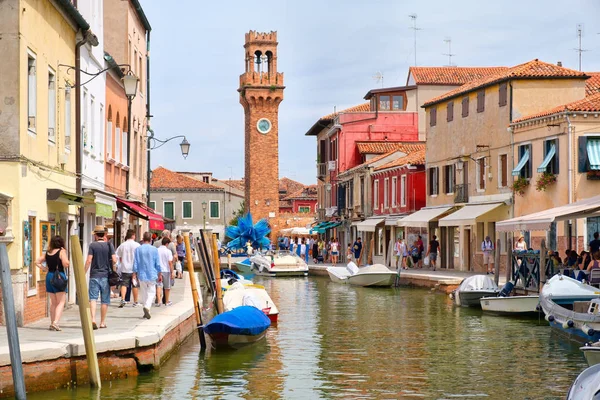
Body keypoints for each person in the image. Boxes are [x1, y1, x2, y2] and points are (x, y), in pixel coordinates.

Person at [85, 225, 117, 330]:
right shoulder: (109, 245)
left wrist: (83, 271)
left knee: (93, 298)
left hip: (94, 275)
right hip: (105, 276)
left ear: (95, 235)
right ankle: (102, 322)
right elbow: (114, 260)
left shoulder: (92, 245)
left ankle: (93, 319)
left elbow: (89, 260)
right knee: (105, 300)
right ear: (104, 235)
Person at [35, 235, 69, 331]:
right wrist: (66, 256)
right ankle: (55, 322)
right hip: (59, 276)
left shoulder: (48, 253)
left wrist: (45, 268)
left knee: (53, 302)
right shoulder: (61, 252)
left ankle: (52, 322)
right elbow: (65, 264)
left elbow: (37, 261)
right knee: (61, 302)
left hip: (49, 276)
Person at [133, 232, 162, 319]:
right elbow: (157, 263)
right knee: (152, 292)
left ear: (143, 238)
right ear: (151, 239)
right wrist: (159, 273)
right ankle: (147, 307)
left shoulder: (138, 249)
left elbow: (135, 263)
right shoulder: (154, 249)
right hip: (152, 273)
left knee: (144, 292)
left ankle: (146, 310)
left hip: (141, 274)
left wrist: (134, 273)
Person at [116, 229, 140, 308]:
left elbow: (117, 255)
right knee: (135, 285)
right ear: (133, 235)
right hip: (134, 269)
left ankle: (123, 299)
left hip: (125, 268)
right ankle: (135, 302)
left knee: (124, 285)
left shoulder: (122, 245)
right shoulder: (137, 245)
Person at [156, 237, 175, 306]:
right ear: (167, 244)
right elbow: (170, 262)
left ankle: (159, 301)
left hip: (158, 270)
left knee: (158, 285)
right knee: (167, 287)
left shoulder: (157, 250)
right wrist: (172, 271)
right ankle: (167, 301)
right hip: (166, 270)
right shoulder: (168, 251)